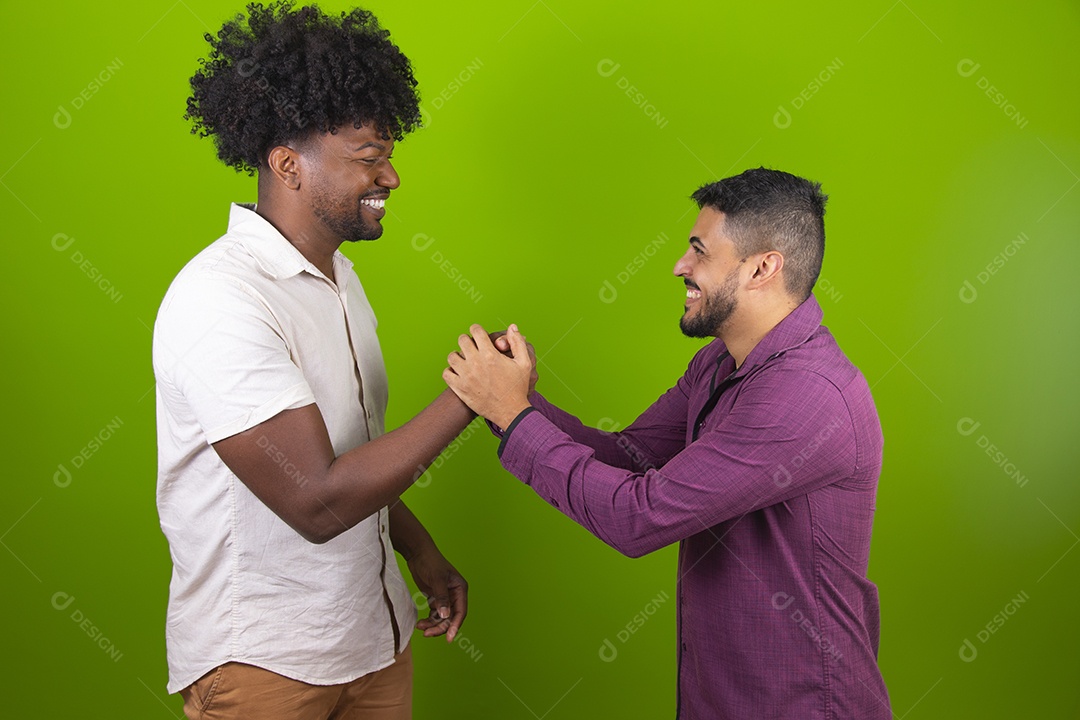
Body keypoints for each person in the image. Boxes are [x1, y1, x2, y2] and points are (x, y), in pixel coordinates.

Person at [444, 168, 891, 719]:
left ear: (762, 268)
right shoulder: (718, 362)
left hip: (799, 705)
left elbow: (639, 516)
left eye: (700, 251)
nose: (681, 265)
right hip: (717, 699)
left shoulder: (805, 395)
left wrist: (513, 417)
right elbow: (625, 457)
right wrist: (519, 401)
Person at [153, 5, 471, 718]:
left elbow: (351, 456)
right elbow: (316, 500)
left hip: (373, 638)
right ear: (288, 164)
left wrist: (418, 553)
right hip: (266, 663)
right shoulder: (219, 299)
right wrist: (468, 397)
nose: (391, 176)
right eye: (367, 156)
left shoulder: (338, 277)